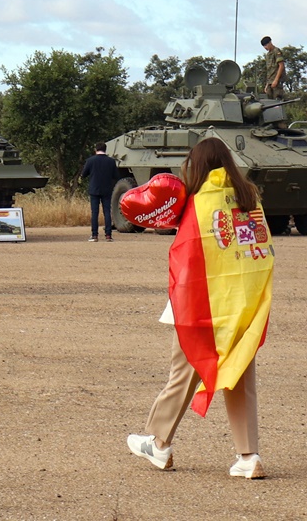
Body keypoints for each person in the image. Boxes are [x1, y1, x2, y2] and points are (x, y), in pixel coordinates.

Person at [127, 138, 273, 480]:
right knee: (238, 377)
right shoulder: (249, 198)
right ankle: (248, 457)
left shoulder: (198, 201)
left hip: (203, 307)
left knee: (184, 372)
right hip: (243, 307)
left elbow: (188, 254)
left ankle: (158, 442)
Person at [80, 142, 119, 242]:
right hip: (106, 189)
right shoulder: (111, 161)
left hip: (94, 189)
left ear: (95, 149)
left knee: (95, 213)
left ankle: (94, 235)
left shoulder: (90, 160)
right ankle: (108, 235)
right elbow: (116, 176)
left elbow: (83, 174)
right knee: (107, 212)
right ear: (105, 149)